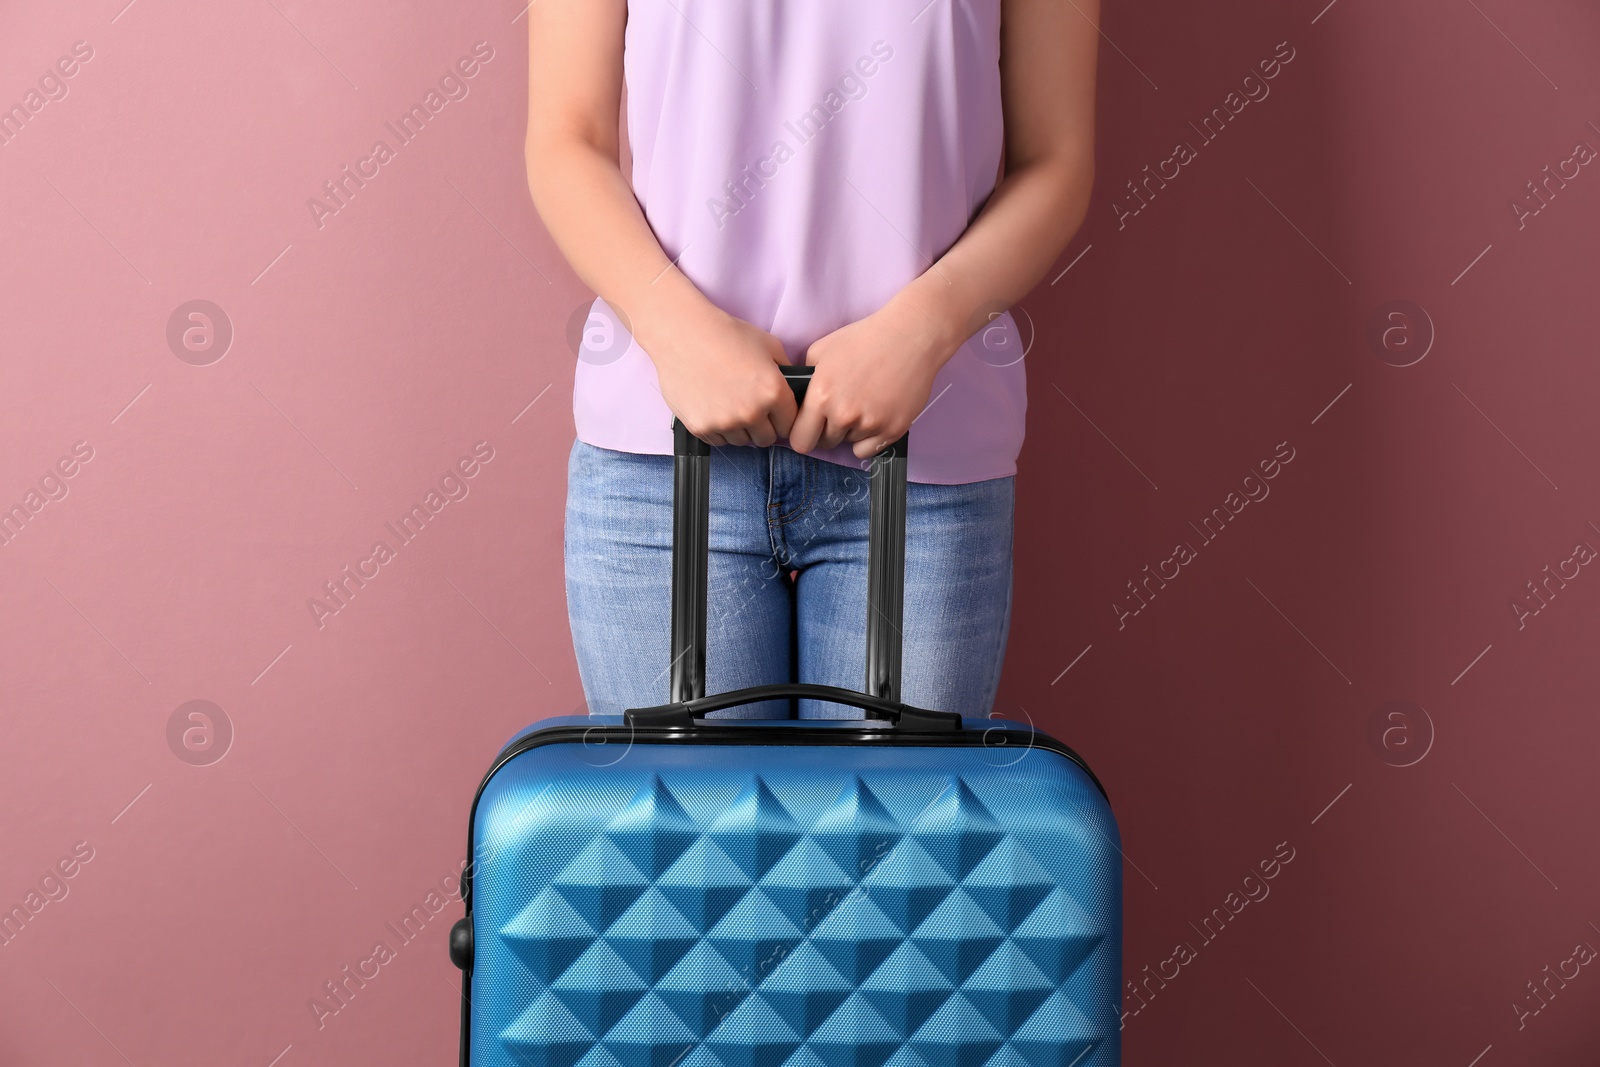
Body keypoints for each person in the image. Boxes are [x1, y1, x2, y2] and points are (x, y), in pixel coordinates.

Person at [525, 0, 1099, 718]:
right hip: (665, 461)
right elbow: (564, 138)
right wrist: (675, 329)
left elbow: (1058, 159)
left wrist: (924, 330)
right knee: (692, 830)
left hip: (922, 454)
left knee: (890, 831)